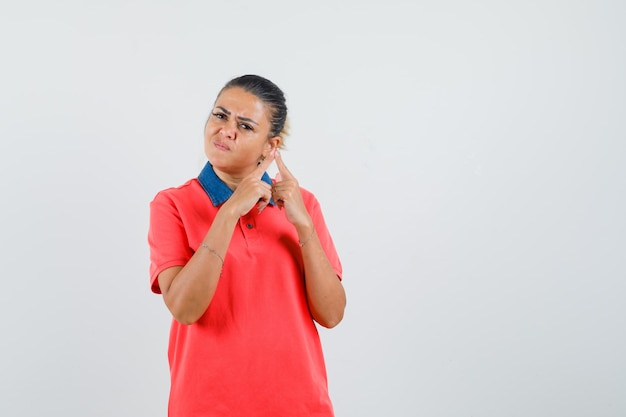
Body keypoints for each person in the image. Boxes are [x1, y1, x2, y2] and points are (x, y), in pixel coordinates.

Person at [148, 74, 346, 416]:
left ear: (271, 146)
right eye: (220, 115)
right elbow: (184, 308)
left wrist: (303, 226)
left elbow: (331, 314)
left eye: (245, 125)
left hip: (300, 406)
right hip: (207, 406)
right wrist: (229, 213)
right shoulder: (172, 205)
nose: (226, 130)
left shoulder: (304, 205)